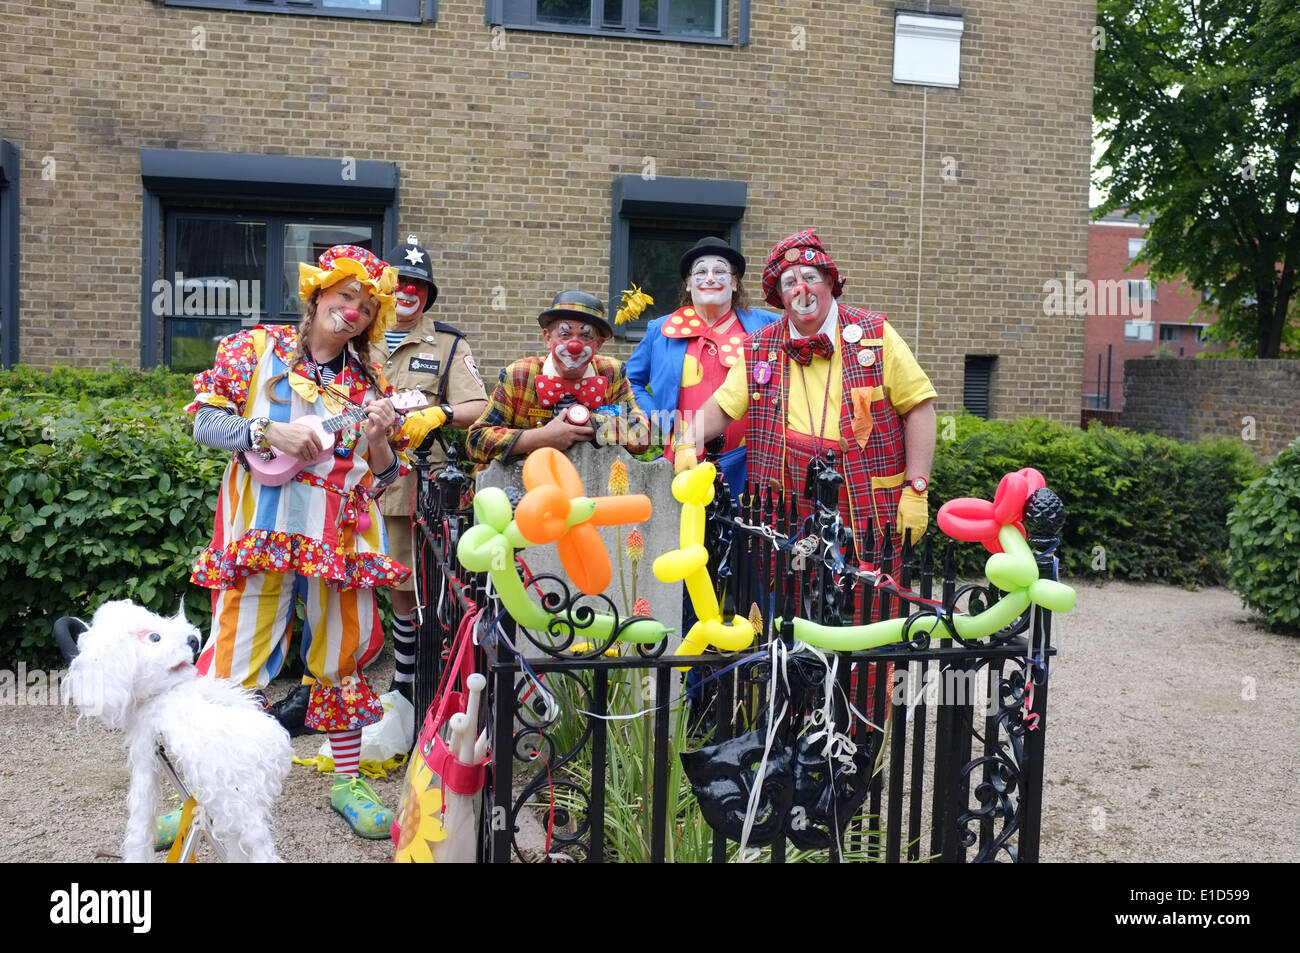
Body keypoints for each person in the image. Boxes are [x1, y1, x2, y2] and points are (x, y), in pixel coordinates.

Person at [186, 243, 409, 839]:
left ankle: (345, 779)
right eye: (345, 296)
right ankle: (208, 793)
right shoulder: (254, 350)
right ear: (317, 294)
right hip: (258, 529)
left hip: (338, 535)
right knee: (234, 656)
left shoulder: (369, 384)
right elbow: (205, 422)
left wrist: (383, 438)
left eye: (366, 305)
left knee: (341, 650)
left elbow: (387, 476)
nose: (354, 310)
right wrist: (266, 430)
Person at [679, 229, 937, 555]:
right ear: (781, 297)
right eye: (789, 283)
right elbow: (723, 406)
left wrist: (917, 489)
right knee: (793, 592)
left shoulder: (875, 334)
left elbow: (919, 408)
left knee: (870, 594)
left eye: (810, 277)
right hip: (786, 494)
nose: (801, 289)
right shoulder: (759, 347)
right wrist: (686, 441)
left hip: (863, 493)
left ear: (830, 282)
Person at [625, 236, 776, 497]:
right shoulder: (660, 330)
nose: (710, 278)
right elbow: (630, 380)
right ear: (687, 283)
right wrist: (658, 417)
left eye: (720, 271)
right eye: (701, 271)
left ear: (735, 281)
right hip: (684, 455)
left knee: (744, 532)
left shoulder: (768, 327)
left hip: (751, 459)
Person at [466, 290, 650, 465]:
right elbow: (476, 442)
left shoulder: (611, 373)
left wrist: (594, 424)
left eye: (585, 336)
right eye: (565, 334)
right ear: (548, 338)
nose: (574, 345)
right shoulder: (519, 375)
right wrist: (540, 437)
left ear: (598, 344)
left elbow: (641, 434)